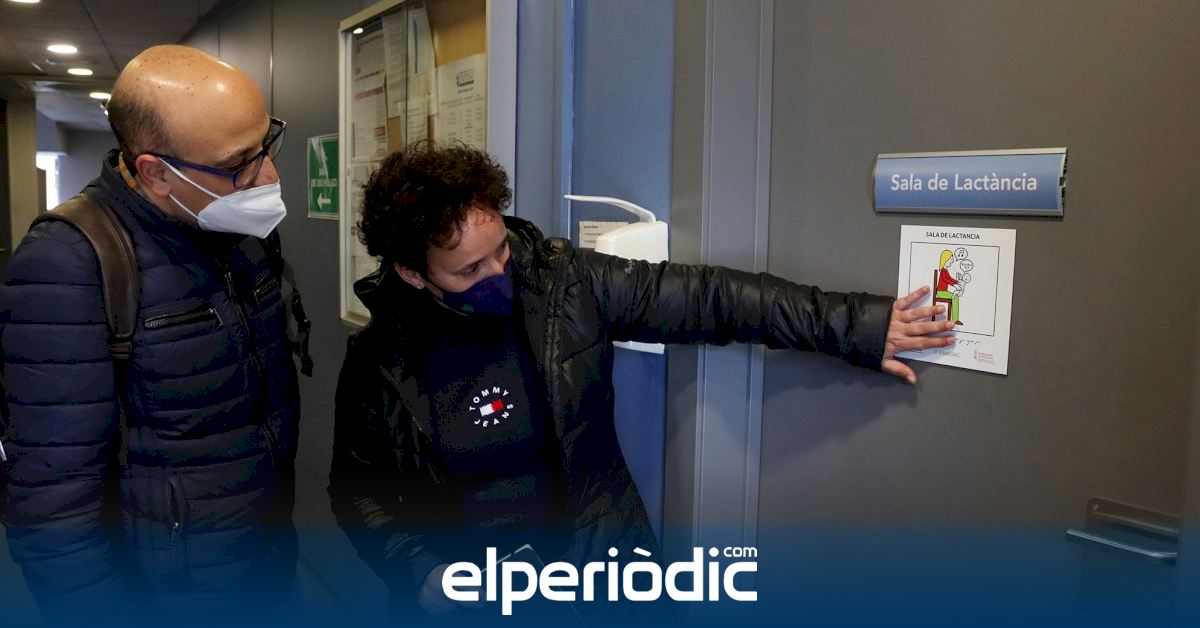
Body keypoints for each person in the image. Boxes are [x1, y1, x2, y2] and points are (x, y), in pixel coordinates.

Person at [328, 143, 955, 619]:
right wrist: (421, 572)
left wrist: (859, 326)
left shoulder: (565, 283)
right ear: (412, 273)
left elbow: (713, 298)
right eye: (469, 270)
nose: (499, 273)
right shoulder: (379, 360)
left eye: (501, 250)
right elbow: (358, 492)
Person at [0, 45, 301, 622]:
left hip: (262, 563)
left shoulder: (238, 232)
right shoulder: (68, 262)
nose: (268, 177)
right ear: (156, 173)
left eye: (267, 144)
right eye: (240, 162)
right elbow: (53, 504)